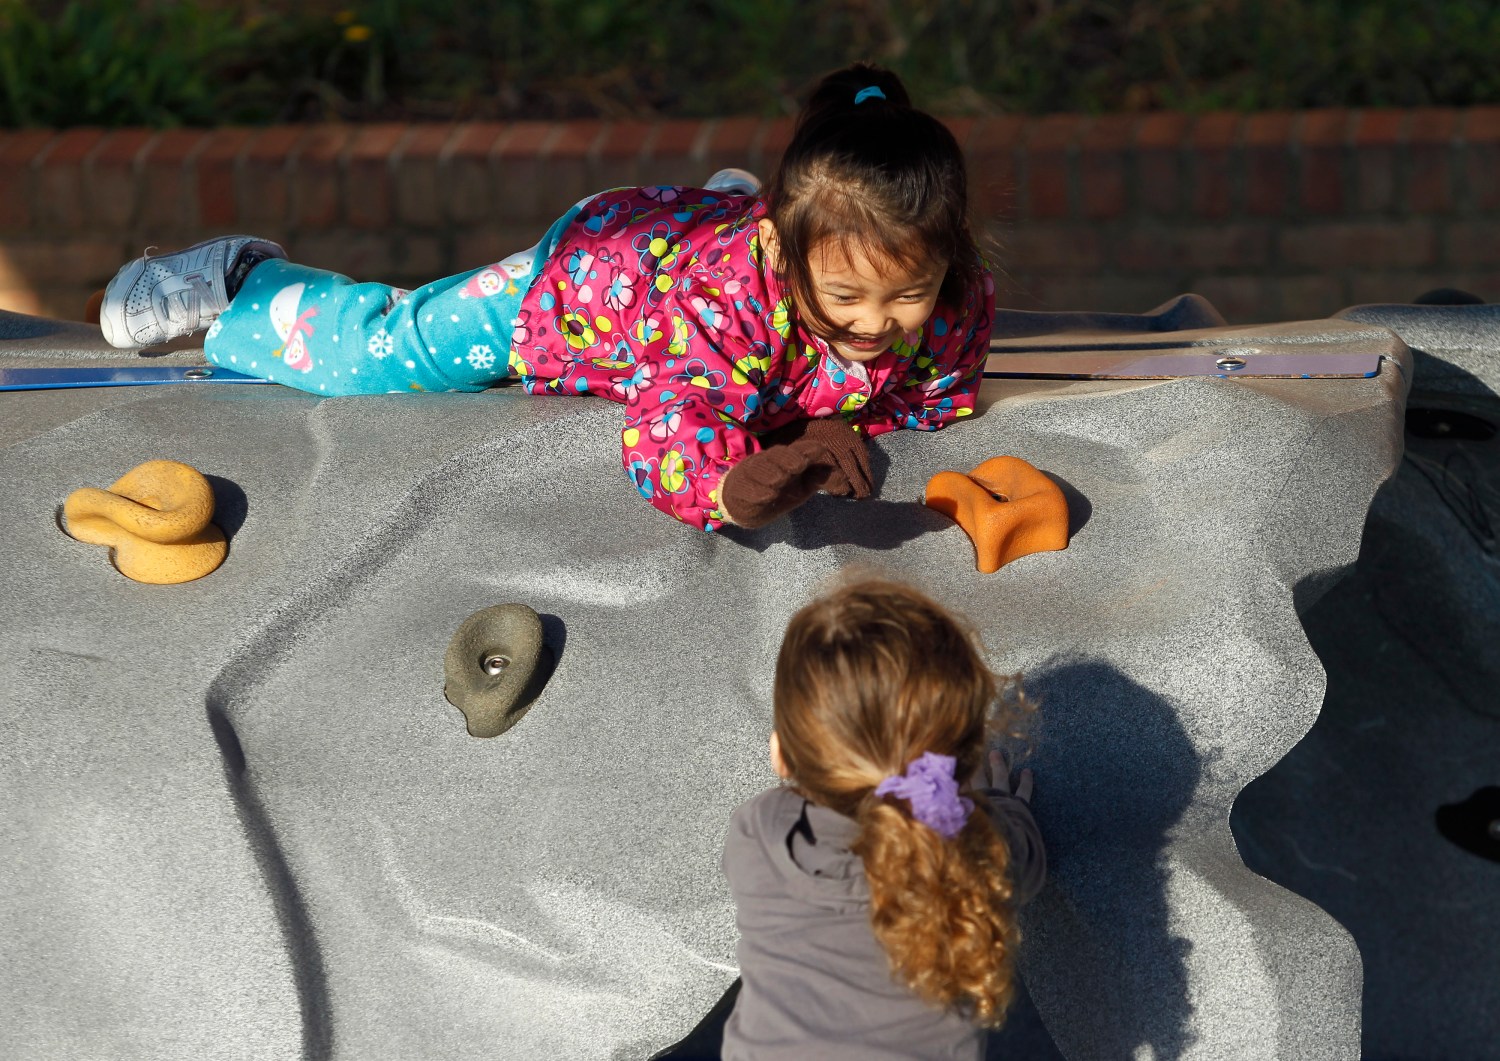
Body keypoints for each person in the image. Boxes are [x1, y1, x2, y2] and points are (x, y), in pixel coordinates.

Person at [98, 62, 995, 533]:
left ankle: (718, 202)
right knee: (383, 353)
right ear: (781, 247)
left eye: (907, 294)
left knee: (795, 306)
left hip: (693, 250)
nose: (876, 323)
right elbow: (669, 420)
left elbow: (927, 400)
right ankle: (243, 283)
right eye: (845, 295)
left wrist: (843, 419)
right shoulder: (729, 302)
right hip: (585, 287)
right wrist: (733, 484)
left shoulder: (951, 299)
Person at [714, 576, 1045, 1061]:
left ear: (780, 755)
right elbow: (1028, 867)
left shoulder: (757, 833)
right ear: (965, 762)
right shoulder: (974, 843)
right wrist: (996, 807)